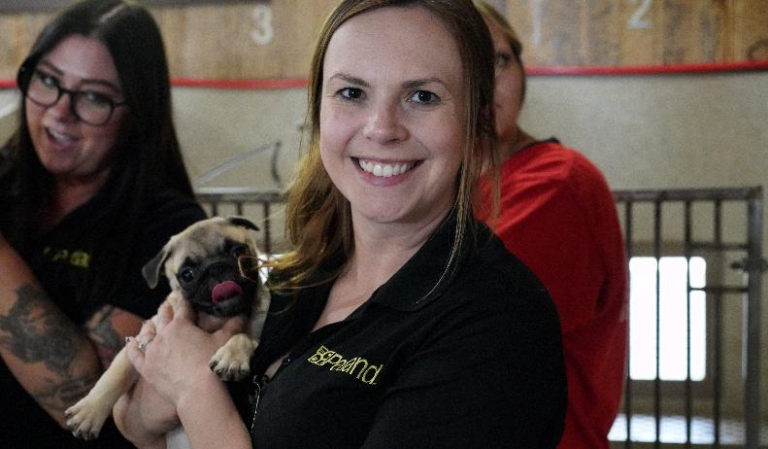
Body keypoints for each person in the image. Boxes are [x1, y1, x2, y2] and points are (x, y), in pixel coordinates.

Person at [116, 0, 567, 447]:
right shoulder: (295, 280)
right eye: (352, 92)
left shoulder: (497, 325)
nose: (382, 127)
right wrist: (157, 396)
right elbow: (131, 421)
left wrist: (195, 390)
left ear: (477, 122)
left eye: (423, 96)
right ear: (318, 112)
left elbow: (182, 394)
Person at [0, 1, 206, 447]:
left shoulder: (172, 233)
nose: (59, 111)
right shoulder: (5, 183)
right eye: (49, 81)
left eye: (93, 96)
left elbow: (84, 403)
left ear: (137, 112)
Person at [473, 3, 629, 448]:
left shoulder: (557, 183)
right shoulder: (447, 185)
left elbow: (457, 325)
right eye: (465, 63)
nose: (487, 82)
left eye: (500, 60)